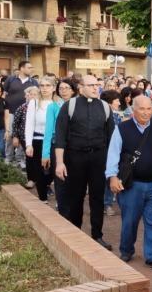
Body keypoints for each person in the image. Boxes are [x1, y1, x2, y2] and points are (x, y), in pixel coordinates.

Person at [106, 96, 152, 268]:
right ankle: (126, 250)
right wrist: (112, 176)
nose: (146, 112)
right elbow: (113, 154)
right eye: (142, 109)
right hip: (131, 186)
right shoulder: (122, 128)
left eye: (149, 109)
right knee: (130, 220)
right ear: (133, 110)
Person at [54, 75, 115, 249]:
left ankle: (97, 235)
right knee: (76, 197)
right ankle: (76, 233)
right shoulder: (70, 106)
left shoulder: (105, 107)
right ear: (81, 88)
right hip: (75, 158)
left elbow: (112, 138)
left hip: (98, 158)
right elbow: (60, 137)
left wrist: (112, 165)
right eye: (91, 85)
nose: (96, 88)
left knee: (97, 197)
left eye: (97, 85)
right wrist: (59, 162)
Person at [42, 79, 76, 214]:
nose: (64, 91)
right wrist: (45, 154)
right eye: (61, 88)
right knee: (60, 179)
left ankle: (73, 209)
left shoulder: (79, 105)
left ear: (73, 90)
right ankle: (63, 210)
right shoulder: (53, 106)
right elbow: (48, 130)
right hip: (57, 145)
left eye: (67, 88)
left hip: (75, 147)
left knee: (74, 179)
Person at [24, 76, 56, 202]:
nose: (44, 88)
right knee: (40, 171)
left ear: (53, 88)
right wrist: (28, 144)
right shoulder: (34, 102)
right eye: (42, 86)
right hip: (38, 140)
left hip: (54, 141)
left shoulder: (57, 103)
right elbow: (29, 124)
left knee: (52, 170)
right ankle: (43, 198)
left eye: (48, 85)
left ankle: (47, 185)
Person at [2, 60, 37, 167]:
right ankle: (9, 157)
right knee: (10, 135)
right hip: (11, 112)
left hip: (27, 113)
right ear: (22, 68)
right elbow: (4, 94)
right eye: (29, 67)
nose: (31, 69)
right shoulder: (11, 79)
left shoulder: (34, 82)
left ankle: (20, 159)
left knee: (24, 135)